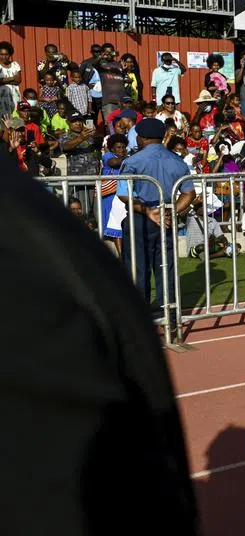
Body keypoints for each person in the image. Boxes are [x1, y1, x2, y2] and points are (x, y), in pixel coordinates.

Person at [0, 151, 199, 535]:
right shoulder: (48, 229)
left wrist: (148, 210)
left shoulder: (31, 229)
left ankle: (163, 315)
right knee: (159, 278)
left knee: (141, 278)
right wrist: (169, 209)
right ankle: (169, 318)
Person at [117, 118, 197, 321]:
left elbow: (124, 194)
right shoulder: (177, 161)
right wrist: (170, 211)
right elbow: (189, 194)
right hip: (167, 219)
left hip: (140, 218)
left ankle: (139, 315)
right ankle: (169, 312)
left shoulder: (133, 161)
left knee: (137, 268)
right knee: (166, 266)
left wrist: (149, 211)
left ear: (141, 138)